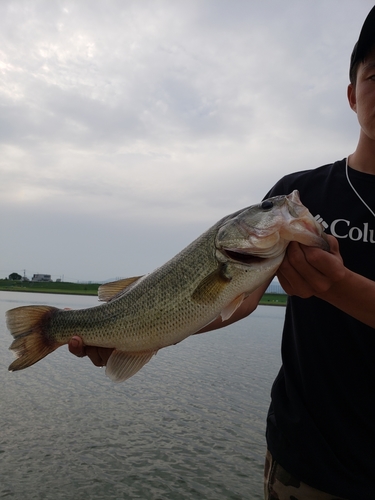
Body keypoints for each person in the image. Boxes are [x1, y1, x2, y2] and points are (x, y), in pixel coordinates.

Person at [69, 7, 375, 499]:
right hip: (306, 461)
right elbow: (238, 299)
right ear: (351, 93)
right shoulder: (301, 193)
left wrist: (339, 286)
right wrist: (136, 334)